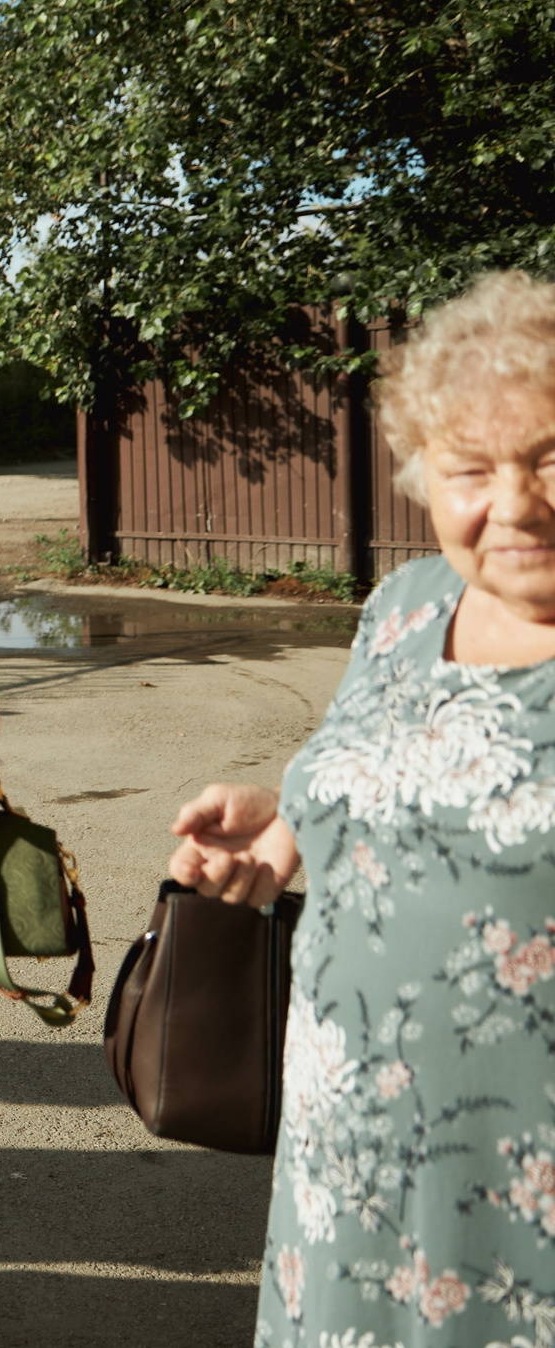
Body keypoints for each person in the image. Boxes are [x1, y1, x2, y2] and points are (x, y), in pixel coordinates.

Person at [165, 271, 555, 1348]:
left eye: (550, 458)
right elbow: (374, 762)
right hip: (348, 1160)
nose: (515, 503)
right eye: (470, 467)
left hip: (523, 1184)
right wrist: (288, 825)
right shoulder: (403, 607)